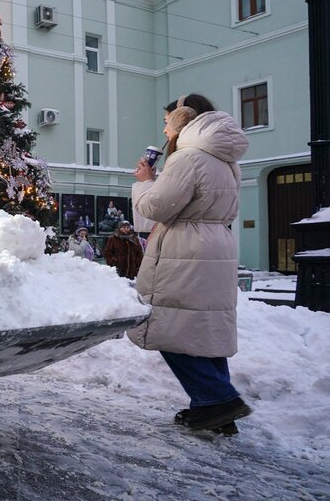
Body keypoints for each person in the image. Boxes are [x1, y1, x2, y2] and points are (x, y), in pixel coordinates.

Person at [130, 93, 251, 435]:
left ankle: (218, 400)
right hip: (216, 245)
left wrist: (145, 183)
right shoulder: (225, 159)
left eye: (168, 120)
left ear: (184, 119)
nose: (165, 128)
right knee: (204, 332)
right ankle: (214, 412)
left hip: (186, 248)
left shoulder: (188, 158)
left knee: (167, 326)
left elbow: (156, 208)